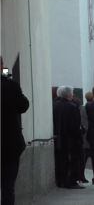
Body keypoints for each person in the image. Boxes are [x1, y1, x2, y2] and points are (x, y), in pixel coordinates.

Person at [1, 68, 30, 205]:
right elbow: (23, 105)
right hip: (9, 143)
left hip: (9, 143)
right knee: (8, 186)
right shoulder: (10, 85)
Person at [53, 86, 84, 189]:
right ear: (69, 95)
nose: (73, 95)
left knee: (60, 160)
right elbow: (75, 125)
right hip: (71, 139)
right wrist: (80, 134)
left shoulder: (55, 105)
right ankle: (71, 181)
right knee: (72, 160)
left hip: (58, 137)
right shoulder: (72, 107)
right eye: (72, 93)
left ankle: (60, 181)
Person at [79, 92, 94, 183]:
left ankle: (81, 176)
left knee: (83, 160)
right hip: (92, 137)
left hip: (84, 137)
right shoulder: (93, 108)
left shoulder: (82, 108)